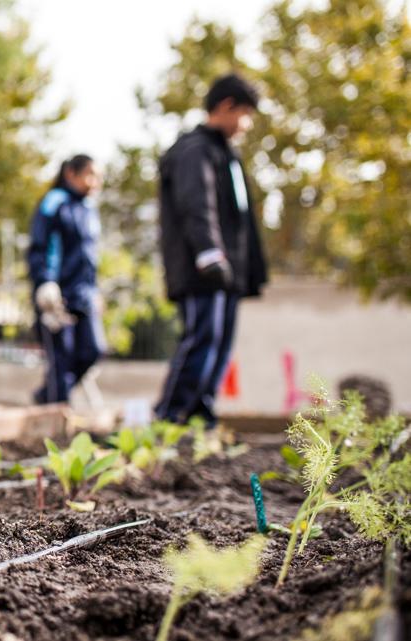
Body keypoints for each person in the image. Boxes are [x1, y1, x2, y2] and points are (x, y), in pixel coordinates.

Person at [155, 73, 268, 427]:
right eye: (245, 114)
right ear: (226, 106)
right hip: (203, 267)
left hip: (227, 269)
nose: (247, 124)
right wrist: (209, 252)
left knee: (220, 347)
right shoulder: (195, 149)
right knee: (202, 339)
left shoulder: (224, 153)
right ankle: (169, 416)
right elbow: (196, 204)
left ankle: (201, 415)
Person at [27, 155, 105, 405]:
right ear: (71, 173)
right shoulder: (54, 202)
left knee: (92, 350)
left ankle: (46, 396)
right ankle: (53, 413)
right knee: (61, 357)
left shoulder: (88, 209)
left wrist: (95, 291)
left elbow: (90, 258)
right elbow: (41, 244)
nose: (95, 182)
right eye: (90, 174)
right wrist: (45, 281)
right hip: (57, 294)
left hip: (84, 294)